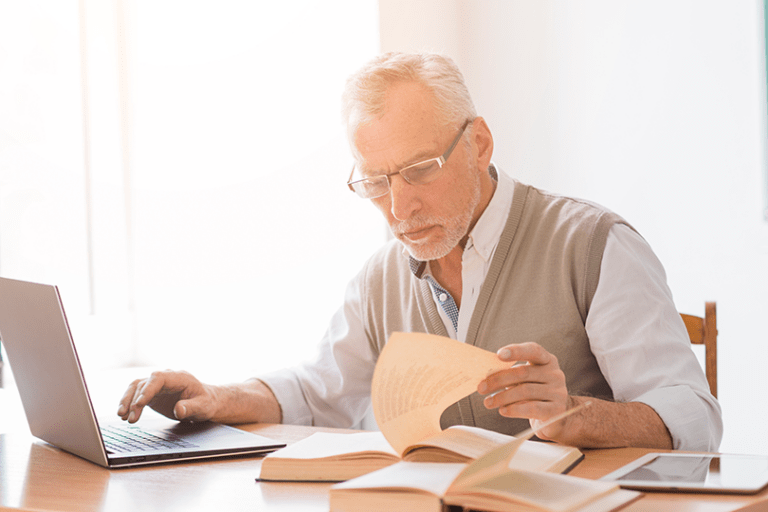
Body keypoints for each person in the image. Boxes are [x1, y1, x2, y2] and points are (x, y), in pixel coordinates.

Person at [117, 52, 722, 451]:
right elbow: (321, 391)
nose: (398, 208)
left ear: (479, 143)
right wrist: (219, 397)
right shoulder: (380, 276)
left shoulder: (592, 243)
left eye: (419, 171)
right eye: (376, 181)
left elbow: (694, 415)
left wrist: (573, 414)